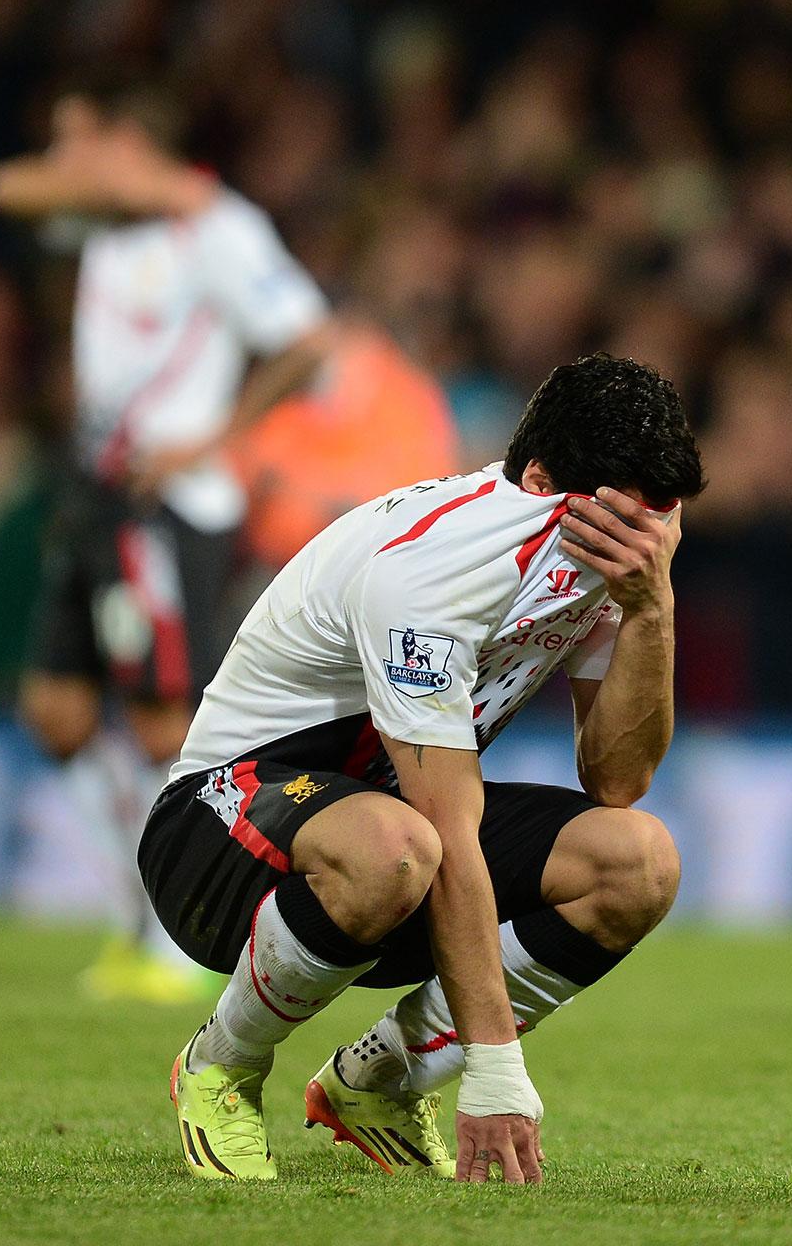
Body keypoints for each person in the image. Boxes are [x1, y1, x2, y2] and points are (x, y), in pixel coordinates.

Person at [141, 353, 703, 1183]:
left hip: (392, 835)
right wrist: (497, 1075)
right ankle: (220, 1065)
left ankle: (379, 1082)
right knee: (398, 844)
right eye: (623, 522)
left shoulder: (611, 558)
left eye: (661, 523)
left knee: (638, 862)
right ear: (540, 481)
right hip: (217, 835)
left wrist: (650, 608)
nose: (640, 544)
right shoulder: (435, 569)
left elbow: (616, 780)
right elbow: (444, 829)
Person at [0, 79, 333, 1002]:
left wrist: (211, 440)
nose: (63, 167)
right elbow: (5, 189)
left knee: (162, 721)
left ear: (129, 145)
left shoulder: (221, 229)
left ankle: (184, 934)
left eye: (79, 146)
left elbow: (306, 339)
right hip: (97, 491)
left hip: (168, 507)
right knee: (56, 712)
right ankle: (134, 915)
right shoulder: (105, 223)